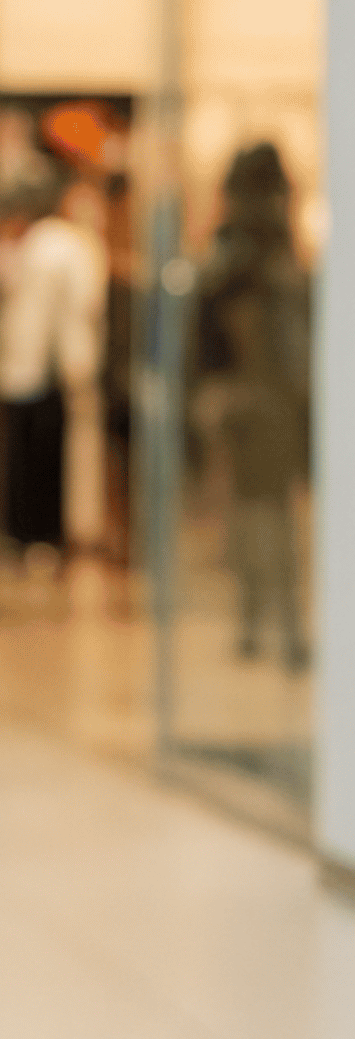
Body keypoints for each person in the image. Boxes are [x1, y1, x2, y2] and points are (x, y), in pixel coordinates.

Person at [194, 143, 311, 670]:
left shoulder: (243, 253)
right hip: (264, 393)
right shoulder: (258, 255)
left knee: (257, 512)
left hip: (258, 393)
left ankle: (265, 624)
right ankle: (276, 625)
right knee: (266, 514)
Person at [0, 171, 106, 561]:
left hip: (37, 367)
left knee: (34, 457)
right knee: (36, 458)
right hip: (42, 368)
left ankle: (33, 535)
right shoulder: (59, 244)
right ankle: (35, 536)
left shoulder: (48, 244)